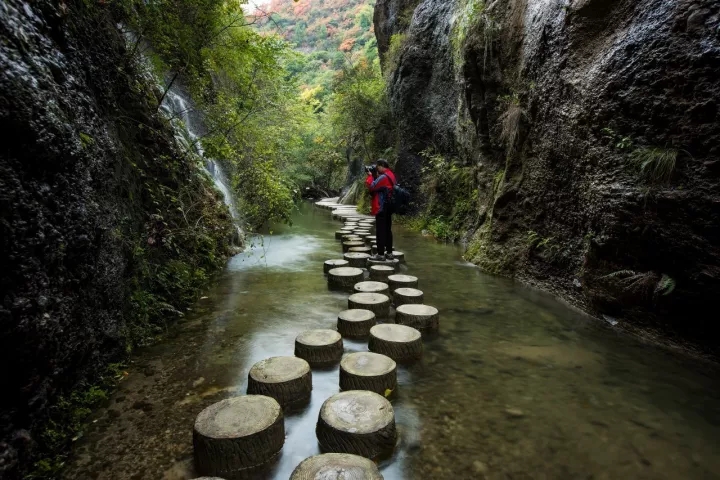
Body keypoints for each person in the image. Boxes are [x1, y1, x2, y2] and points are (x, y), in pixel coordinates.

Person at [365, 159, 396, 261]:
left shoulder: (383, 177)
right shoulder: (391, 175)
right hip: (389, 206)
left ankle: (380, 254)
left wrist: (370, 176)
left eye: (378, 166)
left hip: (381, 207)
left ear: (382, 165)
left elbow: (372, 187)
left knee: (380, 230)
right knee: (387, 229)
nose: (377, 169)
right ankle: (390, 253)